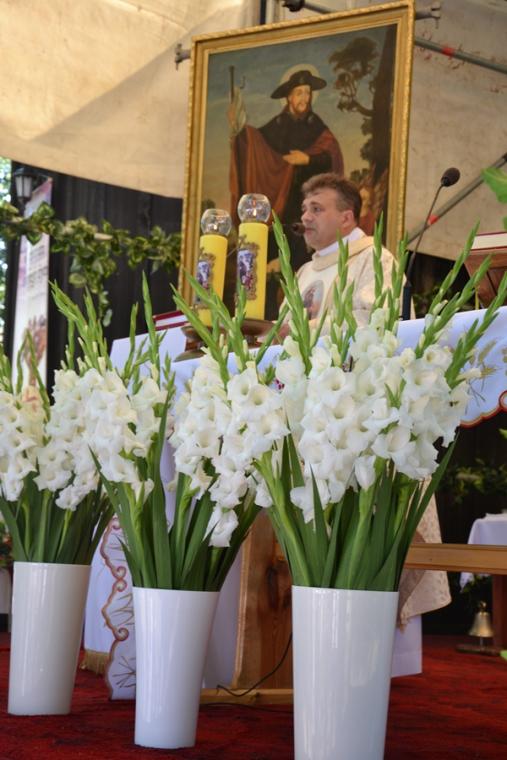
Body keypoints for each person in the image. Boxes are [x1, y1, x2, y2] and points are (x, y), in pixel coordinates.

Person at [283, 173, 451, 652]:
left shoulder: (375, 261)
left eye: (317, 208)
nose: (305, 217)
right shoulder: (306, 272)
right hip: (313, 414)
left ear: (347, 217)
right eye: (304, 208)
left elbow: (376, 333)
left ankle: (366, 647)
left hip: (358, 415)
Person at [229, 69, 344, 230]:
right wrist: (239, 129)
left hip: (310, 202)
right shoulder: (278, 123)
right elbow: (256, 145)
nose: (304, 98)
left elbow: (332, 155)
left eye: (307, 93)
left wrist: (308, 159)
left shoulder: (315, 124)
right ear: (289, 97)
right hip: (284, 203)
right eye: (299, 93)